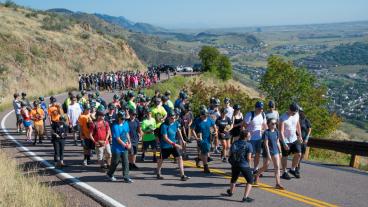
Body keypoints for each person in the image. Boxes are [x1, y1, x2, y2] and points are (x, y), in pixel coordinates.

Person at [156, 112, 190, 181]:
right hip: (165, 146)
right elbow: (165, 138)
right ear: (168, 117)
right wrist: (175, 144)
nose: (173, 119)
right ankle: (158, 172)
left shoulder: (176, 123)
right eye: (172, 118)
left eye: (174, 117)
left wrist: (182, 140)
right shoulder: (164, 126)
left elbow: (178, 131)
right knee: (161, 160)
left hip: (174, 145)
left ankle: (182, 175)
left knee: (180, 158)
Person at [254, 118, 285, 190]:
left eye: (275, 123)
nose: (275, 125)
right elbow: (266, 144)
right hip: (267, 152)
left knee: (277, 167)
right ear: (269, 124)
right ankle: (256, 175)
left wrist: (280, 151)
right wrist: (268, 154)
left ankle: (278, 184)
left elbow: (277, 142)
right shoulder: (266, 133)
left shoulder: (277, 131)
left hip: (276, 151)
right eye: (273, 124)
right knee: (265, 167)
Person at [227, 130, 254, 203]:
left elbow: (229, 154)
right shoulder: (249, 145)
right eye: (249, 135)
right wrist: (250, 167)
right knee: (250, 180)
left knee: (234, 178)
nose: (250, 136)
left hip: (235, 164)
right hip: (244, 165)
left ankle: (231, 192)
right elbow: (249, 158)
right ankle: (245, 197)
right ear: (246, 137)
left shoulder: (235, 143)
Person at [107, 111, 133, 183]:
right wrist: (125, 145)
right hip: (117, 148)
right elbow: (117, 138)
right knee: (115, 162)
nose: (123, 120)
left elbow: (127, 133)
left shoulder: (126, 123)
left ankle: (126, 177)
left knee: (126, 162)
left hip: (124, 147)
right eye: (122, 118)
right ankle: (110, 174)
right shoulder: (115, 126)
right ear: (118, 118)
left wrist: (129, 143)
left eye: (124, 118)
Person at [279, 103, 303, 180]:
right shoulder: (283, 118)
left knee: (299, 154)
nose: (294, 113)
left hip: (294, 138)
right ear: (289, 109)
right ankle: (284, 172)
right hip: (285, 140)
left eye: (295, 112)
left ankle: (292, 169)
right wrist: (284, 143)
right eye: (293, 112)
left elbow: (297, 125)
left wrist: (300, 135)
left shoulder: (296, 115)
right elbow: (281, 132)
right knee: (285, 156)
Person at [243, 101, 267, 174]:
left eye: (262, 108)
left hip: (259, 138)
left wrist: (264, 130)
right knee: (250, 155)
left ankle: (255, 168)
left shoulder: (263, 114)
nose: (261, 110)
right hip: (250, 139)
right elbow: (244, 124)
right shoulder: (250, 114)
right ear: (256, 108)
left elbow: (264, 124)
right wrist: (248, 132)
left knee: (258, 154)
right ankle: (248, 168)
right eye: (259, 108)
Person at [191, 108, 217, 173]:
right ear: (201, 115)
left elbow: (214, 126)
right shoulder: (197, 121)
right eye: (204, 115)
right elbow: (192, 129)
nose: (205, 116)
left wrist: (215, 131)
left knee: (206, 151)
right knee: (205, 151)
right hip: (200, 138)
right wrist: (196, 138)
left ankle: (198, 159)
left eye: (206, 115)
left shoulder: (209, 120)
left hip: (208, 138)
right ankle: (206, 167)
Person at [297, 107, 312, 173]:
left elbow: (310, 129)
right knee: (298, 153)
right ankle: (296, 165)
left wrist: (307, 138)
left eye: (300, 111)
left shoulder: (306, 120)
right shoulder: (296, 119)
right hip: (297, 139)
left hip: (304, 139)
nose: (299, 112)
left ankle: (298, 162)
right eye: (298, 111)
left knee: (302, 153)